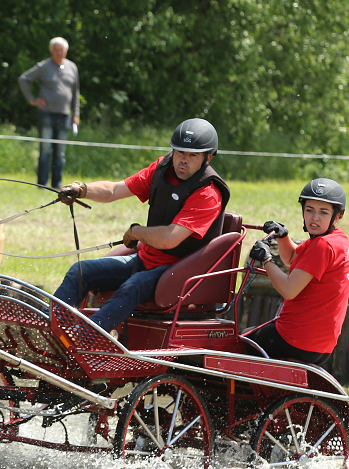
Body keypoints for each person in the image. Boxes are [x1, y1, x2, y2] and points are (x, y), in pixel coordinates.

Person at [53, 118, 230, 332]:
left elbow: (169, 238)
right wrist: (81, 189)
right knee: (81, 271)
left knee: (132, 286)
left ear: (208, 158)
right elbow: (114, 190)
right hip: (146, 261)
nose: (184, 160)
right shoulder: (161, 170)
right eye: (180, 152)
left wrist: (136, 232)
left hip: (178, 273)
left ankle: (82, 340)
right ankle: (50, 329)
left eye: (193, 155)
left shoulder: (208, 193)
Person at [246, 178, 349, 365]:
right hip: (320, 346)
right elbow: (294, 258)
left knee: (238, 342)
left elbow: (288, 290)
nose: (315, 218)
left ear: (337, 215)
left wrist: (266, 260)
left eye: (323, 212)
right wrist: (283, 236)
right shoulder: (338, 240)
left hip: (295, 339)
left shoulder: (322, 245)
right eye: (309, 210)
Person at [18, 37, 80, 188]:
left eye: (61, 50)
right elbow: (23, 79)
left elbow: (76, 92)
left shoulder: (72, 67)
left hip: (65, 115)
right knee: (45, 150)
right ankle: (42, 184)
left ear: (66, 51)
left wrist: (76, 114)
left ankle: (57, 183)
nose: (59, 52)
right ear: (51, 51)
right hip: (46, 114)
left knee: (60, 152)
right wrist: (32, 99)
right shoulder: (44, 66)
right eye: (56, 50)